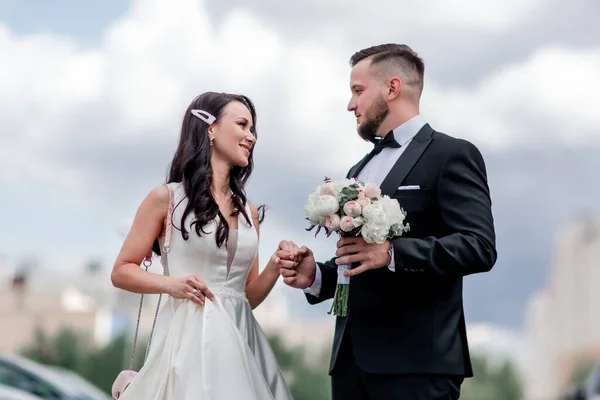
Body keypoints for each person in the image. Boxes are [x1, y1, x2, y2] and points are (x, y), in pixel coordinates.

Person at [276, 44, 497, 399]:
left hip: (418, 364)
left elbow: (479, 247)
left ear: (392, 88)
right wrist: (315, 276)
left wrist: (392, 252)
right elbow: (361, 261)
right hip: (349, 367)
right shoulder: (358, 170)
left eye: (358, 91)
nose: (351, 104)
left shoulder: (452, 155)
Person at [111, 92, 293, 400]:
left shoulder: (249, 212)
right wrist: (173, 285)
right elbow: (121, 272)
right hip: (188, 338)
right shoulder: (166, 199)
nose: (252, 137)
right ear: (210, 129)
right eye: (242, 125)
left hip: (242, 339)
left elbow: (245, 296)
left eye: (253, 129)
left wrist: (276, 265)